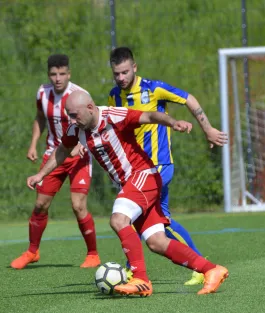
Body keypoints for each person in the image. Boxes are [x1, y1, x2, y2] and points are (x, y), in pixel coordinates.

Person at [27, 91, 229, 297]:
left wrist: (173, 122)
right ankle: (211, 269)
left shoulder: (114, 116)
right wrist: (41, 174)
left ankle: (140, 278)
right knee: (156, 242)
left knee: (118, 219)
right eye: (69, 115)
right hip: (131, 184)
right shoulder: (76, 129)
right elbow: (62, 150)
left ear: (89, 108)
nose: (72, 120)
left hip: (143, 175)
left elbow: (150, 116)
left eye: (74, 115)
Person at [108, 47, 227, 286]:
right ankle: (201, 267)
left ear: (134, 68)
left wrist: (208, 129)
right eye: (116, 74)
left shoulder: (153, 88)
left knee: (146, 219)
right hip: (135, 170)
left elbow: (189, 99)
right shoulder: (114, 96)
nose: (121, 78)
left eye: (124, 72)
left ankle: (200, 267)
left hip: (158, 166)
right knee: (157, 221)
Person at [10, 54, 100, 270]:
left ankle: (93, 254)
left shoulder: (80, 95)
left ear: (69, 73)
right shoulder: (42, 93)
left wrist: (82, 144)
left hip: (79, 157)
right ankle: (32, 251)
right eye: (53, 74)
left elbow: (93, 121)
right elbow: (40, 117)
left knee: (78, 206)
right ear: (48, 75)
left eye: (62, 73)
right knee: (40, 204)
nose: (57, 78)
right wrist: (33, 143)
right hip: (54, 155)